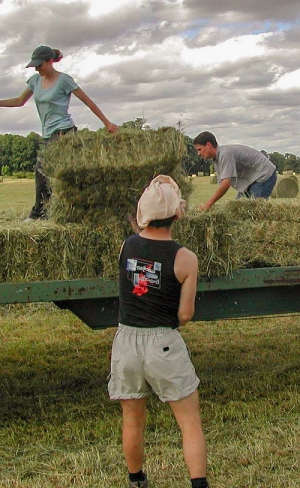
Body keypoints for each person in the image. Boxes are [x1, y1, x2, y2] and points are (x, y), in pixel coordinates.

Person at [108, 175, 210, 488]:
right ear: (177, 214)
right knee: (190, 422)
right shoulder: (186, 258)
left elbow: (136, 283)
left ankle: (136, 480)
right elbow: (185, 314)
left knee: (133, 420)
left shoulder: (127, 245)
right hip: (162, 342)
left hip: (125, 342)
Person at [0, 45, 118, 220]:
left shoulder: (64, 80)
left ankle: (38, 214)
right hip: (47, 134)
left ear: (49, 61)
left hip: (64, 132)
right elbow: (19, 101)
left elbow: (87, 101)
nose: (37, 68)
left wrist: (107, 123)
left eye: (39, 65)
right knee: (54, 175)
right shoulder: (35, 81)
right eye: (35, 66)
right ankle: (56, 211)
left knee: (41, 170)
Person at [192, 131, 277, 211]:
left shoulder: (225, 154)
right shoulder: (217, 161)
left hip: (263, 174)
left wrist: (208, 204)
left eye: (199, 149)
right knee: (238, 209)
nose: (198, 153)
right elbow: (221, 185)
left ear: (208, 145)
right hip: (251, 181)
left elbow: (226, 184)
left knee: (254, 212)